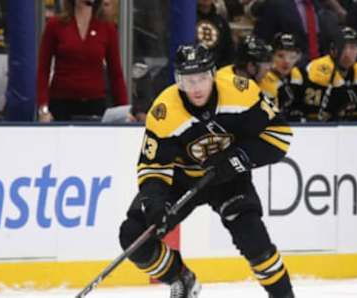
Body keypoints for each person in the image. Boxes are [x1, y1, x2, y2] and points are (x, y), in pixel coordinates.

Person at [118, 42, 295, 298]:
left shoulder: (240, 92)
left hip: (229, 178)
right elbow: (153, 166)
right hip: (181, 179)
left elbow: (279, 137)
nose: (197, 87)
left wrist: (236, 159)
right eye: (188, 80)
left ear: (213, 73)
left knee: (255, 240)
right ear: (178, 80)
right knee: (134, 238)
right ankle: (181, 278)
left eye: (202, 78)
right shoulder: (164, 111)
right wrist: (155, 203)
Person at [37, 0, 127, 121]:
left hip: (94, 105)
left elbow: (116, 74)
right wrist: (43, 109)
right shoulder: (55, 25)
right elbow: (43, 69)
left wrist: (123, 110)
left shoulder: (107, 28)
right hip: (61, 105)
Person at [301, 26, 357, 121]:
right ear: (332, 50)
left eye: (352, 47)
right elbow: (313, 113)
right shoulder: (319, 67)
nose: (347, 53)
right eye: (343, 47)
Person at [253, 0, 340, 67]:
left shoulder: (321, 6)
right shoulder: (275, 5)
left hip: (320, 69)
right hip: (289, 67)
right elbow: (262, 39)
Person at [259, 33, 305, 121]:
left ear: (298, 57)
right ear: (271, 56)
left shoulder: (299, 75)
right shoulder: (263, 78)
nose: (287, 61)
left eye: (292, 57)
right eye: (280, 56)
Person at [196, 0, 235, 67]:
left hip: (218, 70)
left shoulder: (221, 22)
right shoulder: (187, 20)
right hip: (193, 70)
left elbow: (229, 50)